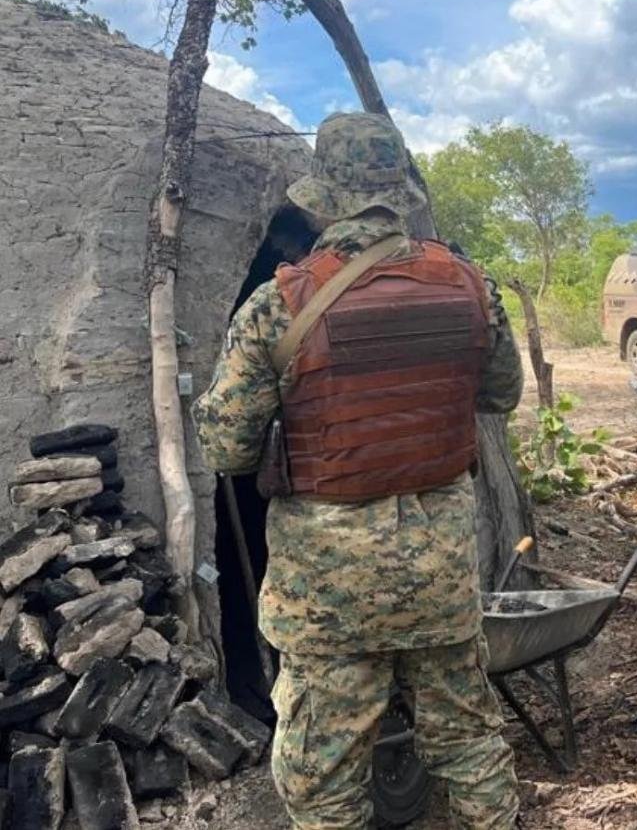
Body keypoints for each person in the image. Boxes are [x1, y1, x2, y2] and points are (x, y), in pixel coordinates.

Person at [192, 111, 523, 829]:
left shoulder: (277, 305)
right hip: (439, 568)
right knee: (469, 743)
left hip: (328, 591)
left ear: (325, 196)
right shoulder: (470, 285)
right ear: (397, 190)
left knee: (322, 774)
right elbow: (501, 395)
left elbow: (224, 449)